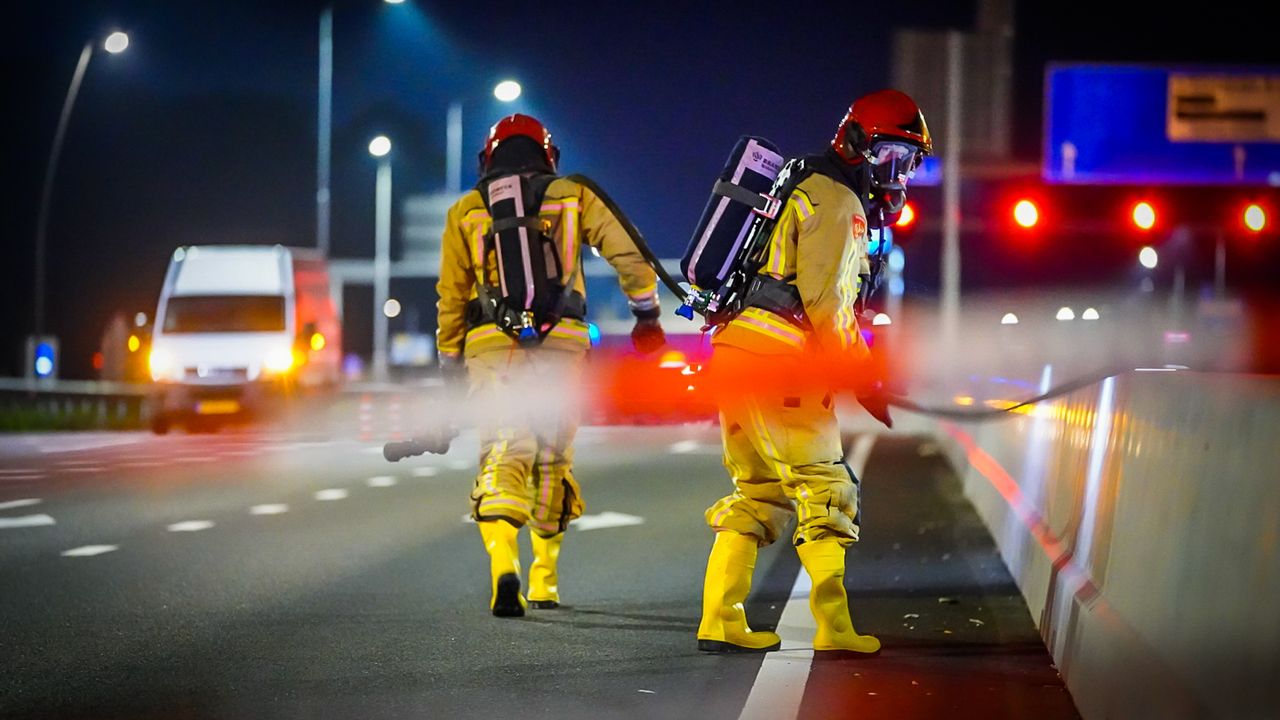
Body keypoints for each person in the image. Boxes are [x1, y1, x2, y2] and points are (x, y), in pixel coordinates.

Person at [696, 90, 932, 653]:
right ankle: (833, 626)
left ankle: (720, 619)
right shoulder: (839, 202)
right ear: (853, 143)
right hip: (782, 360)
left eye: (908, 162)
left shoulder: (805, 186)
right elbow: (828, 306)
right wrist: (865, 375)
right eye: (888, 156)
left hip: (736, 352)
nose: (895, 174)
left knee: (758, 491)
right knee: (825, 486)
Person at [436, 113, 665, 617]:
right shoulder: (572, 194)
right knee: (552, 455)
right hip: (562, 344)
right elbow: (630, 253)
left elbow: (450, 296)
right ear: (548, 153)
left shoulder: (465, 210)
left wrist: (450, 360)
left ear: (487, 158)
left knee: (503, 450)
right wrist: (646, 314)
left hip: (492, 346)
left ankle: (503, 566)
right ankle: (544, 580)